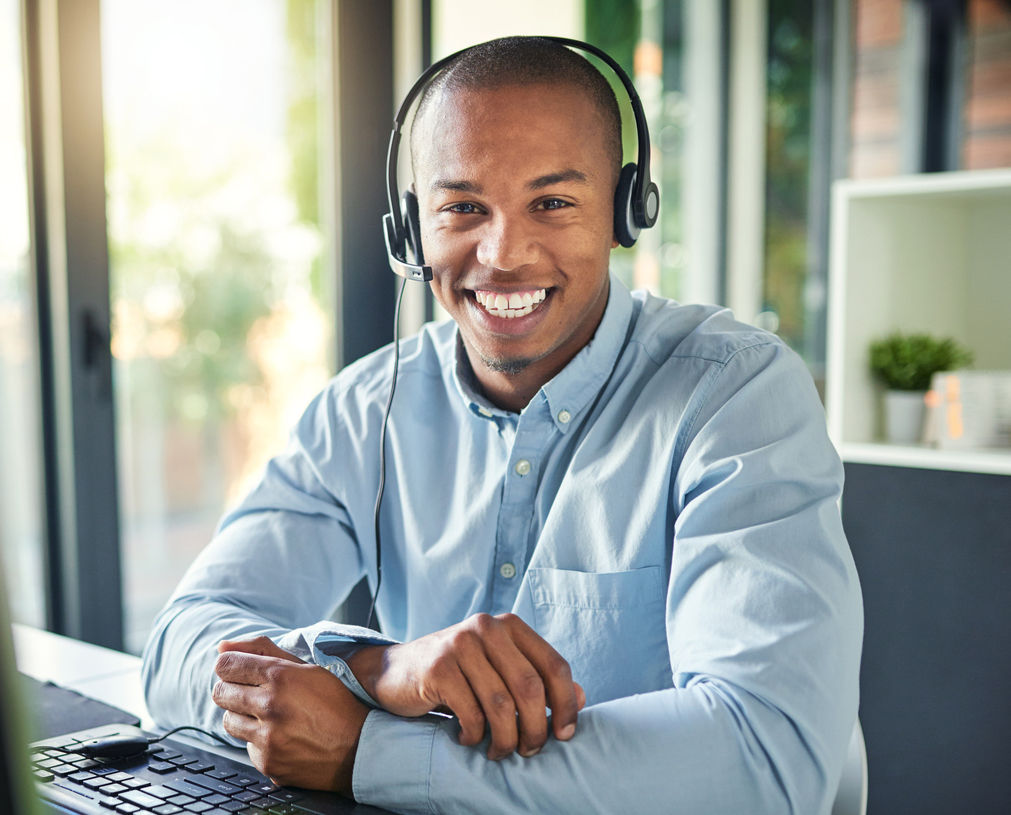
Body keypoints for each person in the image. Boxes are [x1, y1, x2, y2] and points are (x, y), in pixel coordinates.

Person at [143, 36, 862, 815]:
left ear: (626, 210)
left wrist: (367, 749)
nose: (503, 252)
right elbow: (177, 651)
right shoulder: (362, 408)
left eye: (551, 203)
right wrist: (381, 668)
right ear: (410, 230)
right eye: (462, 207)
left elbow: (761, 763)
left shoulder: (736, 395)